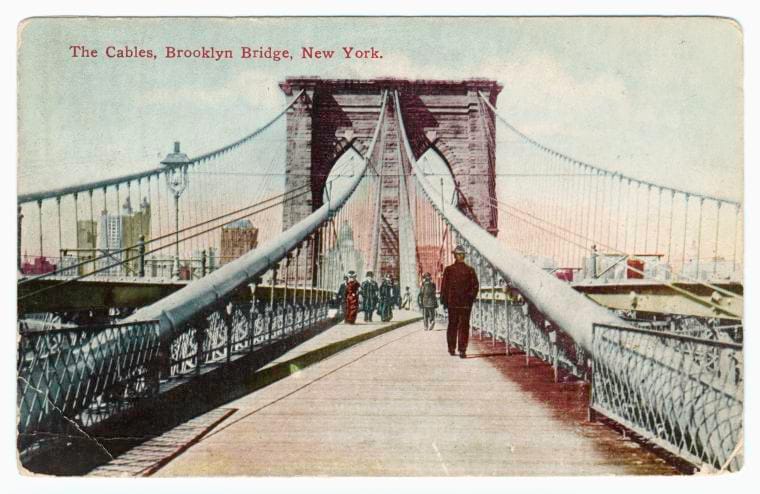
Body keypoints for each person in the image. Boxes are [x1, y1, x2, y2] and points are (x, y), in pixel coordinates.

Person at [440, 245, 479, 358]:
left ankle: (451, 348)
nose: (460, 256)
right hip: (466, 304)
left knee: (452, 325)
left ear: (455, 256)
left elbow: (444, 287)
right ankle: (462, 350)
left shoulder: (448, 270)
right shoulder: (470, 270)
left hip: (453, 303)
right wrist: (470, 298)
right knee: (464, 326)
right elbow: (475, 286)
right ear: (462, 256)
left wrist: (444, 302)